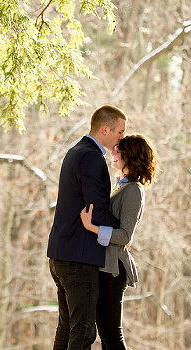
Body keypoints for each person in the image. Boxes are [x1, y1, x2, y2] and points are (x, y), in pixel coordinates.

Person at [47, 105, 127, 350]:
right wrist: (122, 231)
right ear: (105, 129)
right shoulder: (92, 157)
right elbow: (97, 210)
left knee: (67, 328)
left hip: (61, 254)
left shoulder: (76, 151)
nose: (121, 139)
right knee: (83, 332)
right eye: (120, 132)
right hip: (79, 258)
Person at [80, 134, 159, 350]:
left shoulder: (133, 190)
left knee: (112, 336)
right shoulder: (121, 186)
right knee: (107, 338)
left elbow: (125, 236)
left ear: (130, 156)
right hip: (105, 267)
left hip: (114, 270)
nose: (112, 153)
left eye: (118, 150)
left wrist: (92, 228)